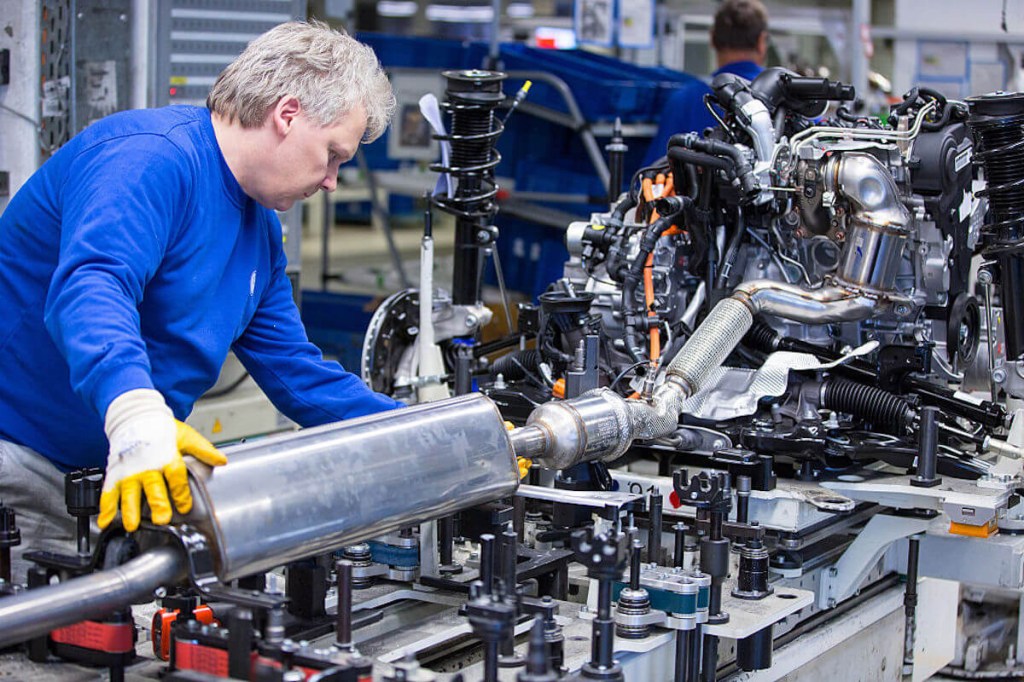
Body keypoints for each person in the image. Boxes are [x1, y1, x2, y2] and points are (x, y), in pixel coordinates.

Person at [0, 20, 402, 583]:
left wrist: (434, 432)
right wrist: (139, 418)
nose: (333, 180)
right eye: (333, 154)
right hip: (23, 472)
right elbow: (92, 288)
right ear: (287, 115)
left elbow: (297, 375)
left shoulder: (259, 226)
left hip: (122, 479)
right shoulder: (149, 159)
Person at [643, 0, 769, 165]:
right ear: (761, 41)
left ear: (712, 38)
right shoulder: (794, 101)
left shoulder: (684, 101)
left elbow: (653, 176)